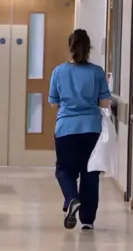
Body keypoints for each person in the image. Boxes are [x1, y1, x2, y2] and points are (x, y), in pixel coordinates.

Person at [48, 29, 111, 230]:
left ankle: (72, 198)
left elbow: (53, 103)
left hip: (66, 128)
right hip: (92, 128)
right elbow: (104, 102)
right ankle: (88, 221)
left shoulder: (59, 72)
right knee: (90, 172)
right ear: (88, 48)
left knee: (65, 170)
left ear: (70, 47)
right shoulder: (97, 72)